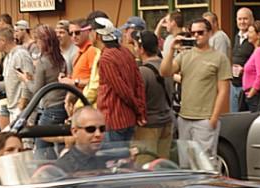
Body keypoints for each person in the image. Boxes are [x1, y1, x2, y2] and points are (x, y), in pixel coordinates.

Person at [161, 18, 230, 161]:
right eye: (193, 33)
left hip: (205, 119)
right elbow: (164, 72)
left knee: (205, 163)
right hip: (184, 117)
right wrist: (171, 49)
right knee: (186, 162)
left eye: (200, 32)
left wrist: (214, 118)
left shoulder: (219, 58)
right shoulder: (185, 55)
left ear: (210, 33)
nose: (196, 35)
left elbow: (223, 90)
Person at [93, 17, 146, 143]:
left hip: (114, 119)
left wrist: (138, 111)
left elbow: (122, 90)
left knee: (113, 160)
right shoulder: (126, 52)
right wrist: (140, 110)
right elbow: (139, 84)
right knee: (126, 159)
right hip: (129, 118)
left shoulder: (106, 58)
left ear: (97, 35)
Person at [21, 24, 67, 157]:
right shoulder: (60, 59)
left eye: (38, 40)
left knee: (41, 145)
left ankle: (42, 173)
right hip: (63, 106)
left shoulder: (42, 62)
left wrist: (26, 79)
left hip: (51, 108)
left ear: (44, 42)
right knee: (58, 145)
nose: (36, 43)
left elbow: (37, 89)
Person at [133, 30, 174, 160]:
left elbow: (137, 100)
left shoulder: (142, 72)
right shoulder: (166, 66)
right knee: (162, 166)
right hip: (167, 121)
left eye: (135, 45)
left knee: (145, 166)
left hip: (148, 126)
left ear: (141, 49)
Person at [0, 26, 33, 124]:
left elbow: (28, 78)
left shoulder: (21, 55)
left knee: (25, 139)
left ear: (3, 41)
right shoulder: (8, 57)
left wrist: (23, 102)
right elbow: (9, 83)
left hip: (22, 108)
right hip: (13, 107)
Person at [55, 107, 109, 173]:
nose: (98, 134)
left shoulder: (105, 159)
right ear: (75, 132)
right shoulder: (62, 168)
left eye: (102, 129)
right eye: (90, 129)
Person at [242, 21, 260, 113]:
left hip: (256, 96)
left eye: (251, 32)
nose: (248, 35)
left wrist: (251, 94)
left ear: (259, 35)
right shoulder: (256, 50)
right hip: (250, 94)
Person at [231, 8, 255, 112]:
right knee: (234, 116)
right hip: (234, 84)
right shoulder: (236, 36)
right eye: (239, 19)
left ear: (252, 20)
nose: (242, 22)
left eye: (245, 19)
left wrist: (244, 69)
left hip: (248, 87)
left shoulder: (255, 39)